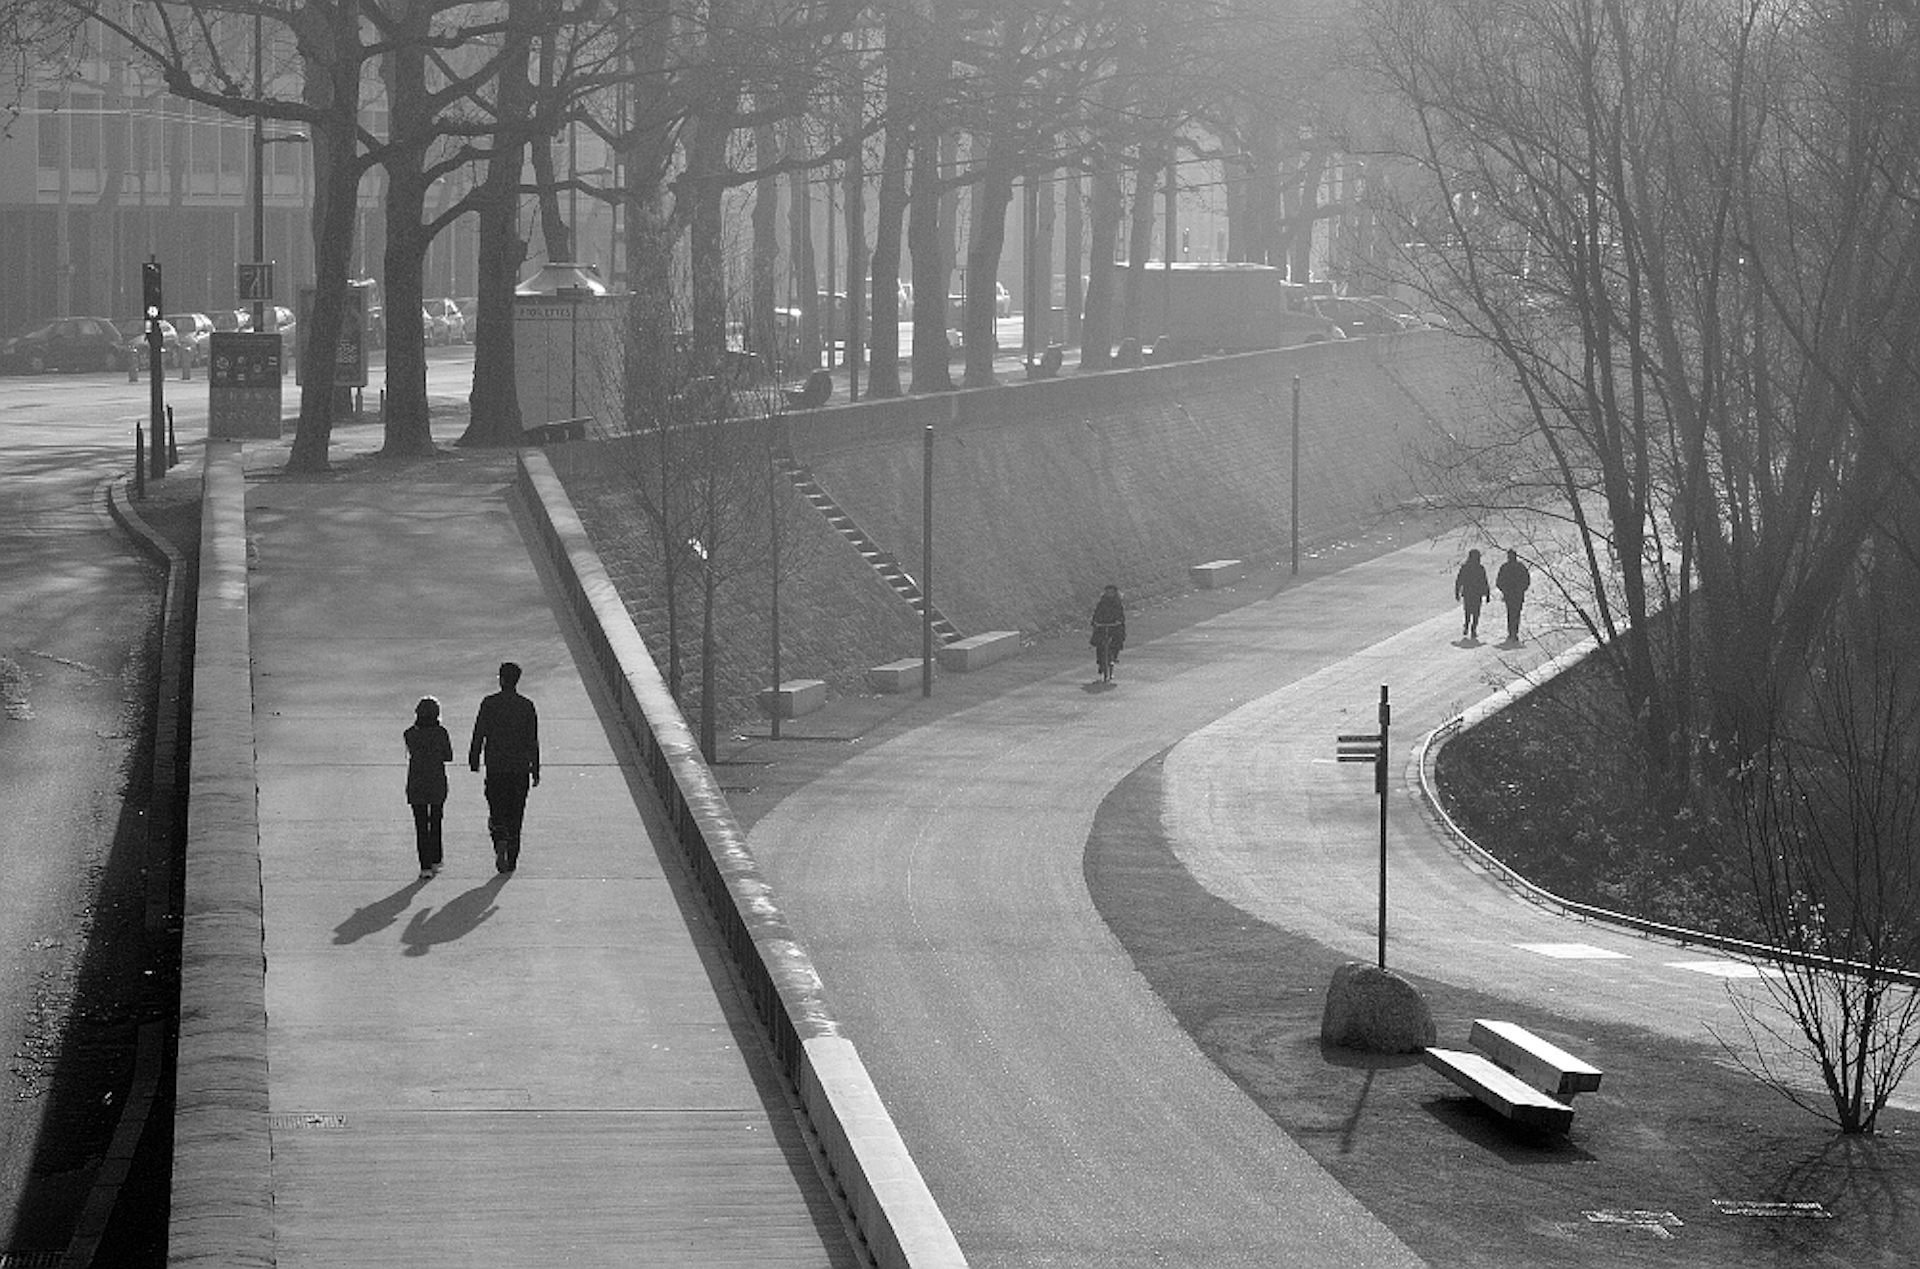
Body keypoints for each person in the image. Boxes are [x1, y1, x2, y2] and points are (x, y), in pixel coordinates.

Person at [469, 662, 540, 873]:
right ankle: (512, 857)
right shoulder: (526, 706)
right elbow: (532, 740)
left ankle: (499, 837)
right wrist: (535, 768)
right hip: (519, 768)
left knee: (497, 808)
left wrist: (474, 758)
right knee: (516, 812)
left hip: (496, 767)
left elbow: (479, 732)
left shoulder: (489, 703)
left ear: (501, 679)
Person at [404, 696, 453, 879]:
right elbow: (448, 756)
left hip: (416, 782)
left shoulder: (409, 733)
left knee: (421, 824)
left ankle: (424, 865)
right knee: (436, 820)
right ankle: (436, 858)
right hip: (436, 781)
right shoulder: (441, 733)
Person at [1090, 584, 1126, 681]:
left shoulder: (1118, 603)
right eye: (1108, 592)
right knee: (1099, 642)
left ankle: (1114, 656)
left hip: (1114, 626)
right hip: (1102, 624)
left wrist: (1119, 622)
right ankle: (1100, 662)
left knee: (1117, 639)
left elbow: (1121, 615)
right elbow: (1096, 613)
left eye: (1112, 592)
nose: (1109, 594)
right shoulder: (1102, 603)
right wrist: (1094, 622)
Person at [1495, 548, 1532, 642]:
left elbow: (1499, 582)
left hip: (1509, 594)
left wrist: (1505, 590)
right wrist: (1522, 589)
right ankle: (1514, 632)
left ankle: (1511, 632)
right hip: (1518, 594)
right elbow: (1527, 580)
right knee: (1516, 613)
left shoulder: (1505, 567)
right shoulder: (1520, 567)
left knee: (1510, 613)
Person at [1454, 549, 1491, 641]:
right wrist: (1487, 594)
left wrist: (1457, 592)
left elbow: (1459, 581)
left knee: (1468, 610)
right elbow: (1484, 581)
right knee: (1476, 612)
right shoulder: (1480, 568)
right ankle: (1473, 629)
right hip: (1477, 593)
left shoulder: (1465, 567)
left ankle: (1467, 626)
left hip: (1468, 593)